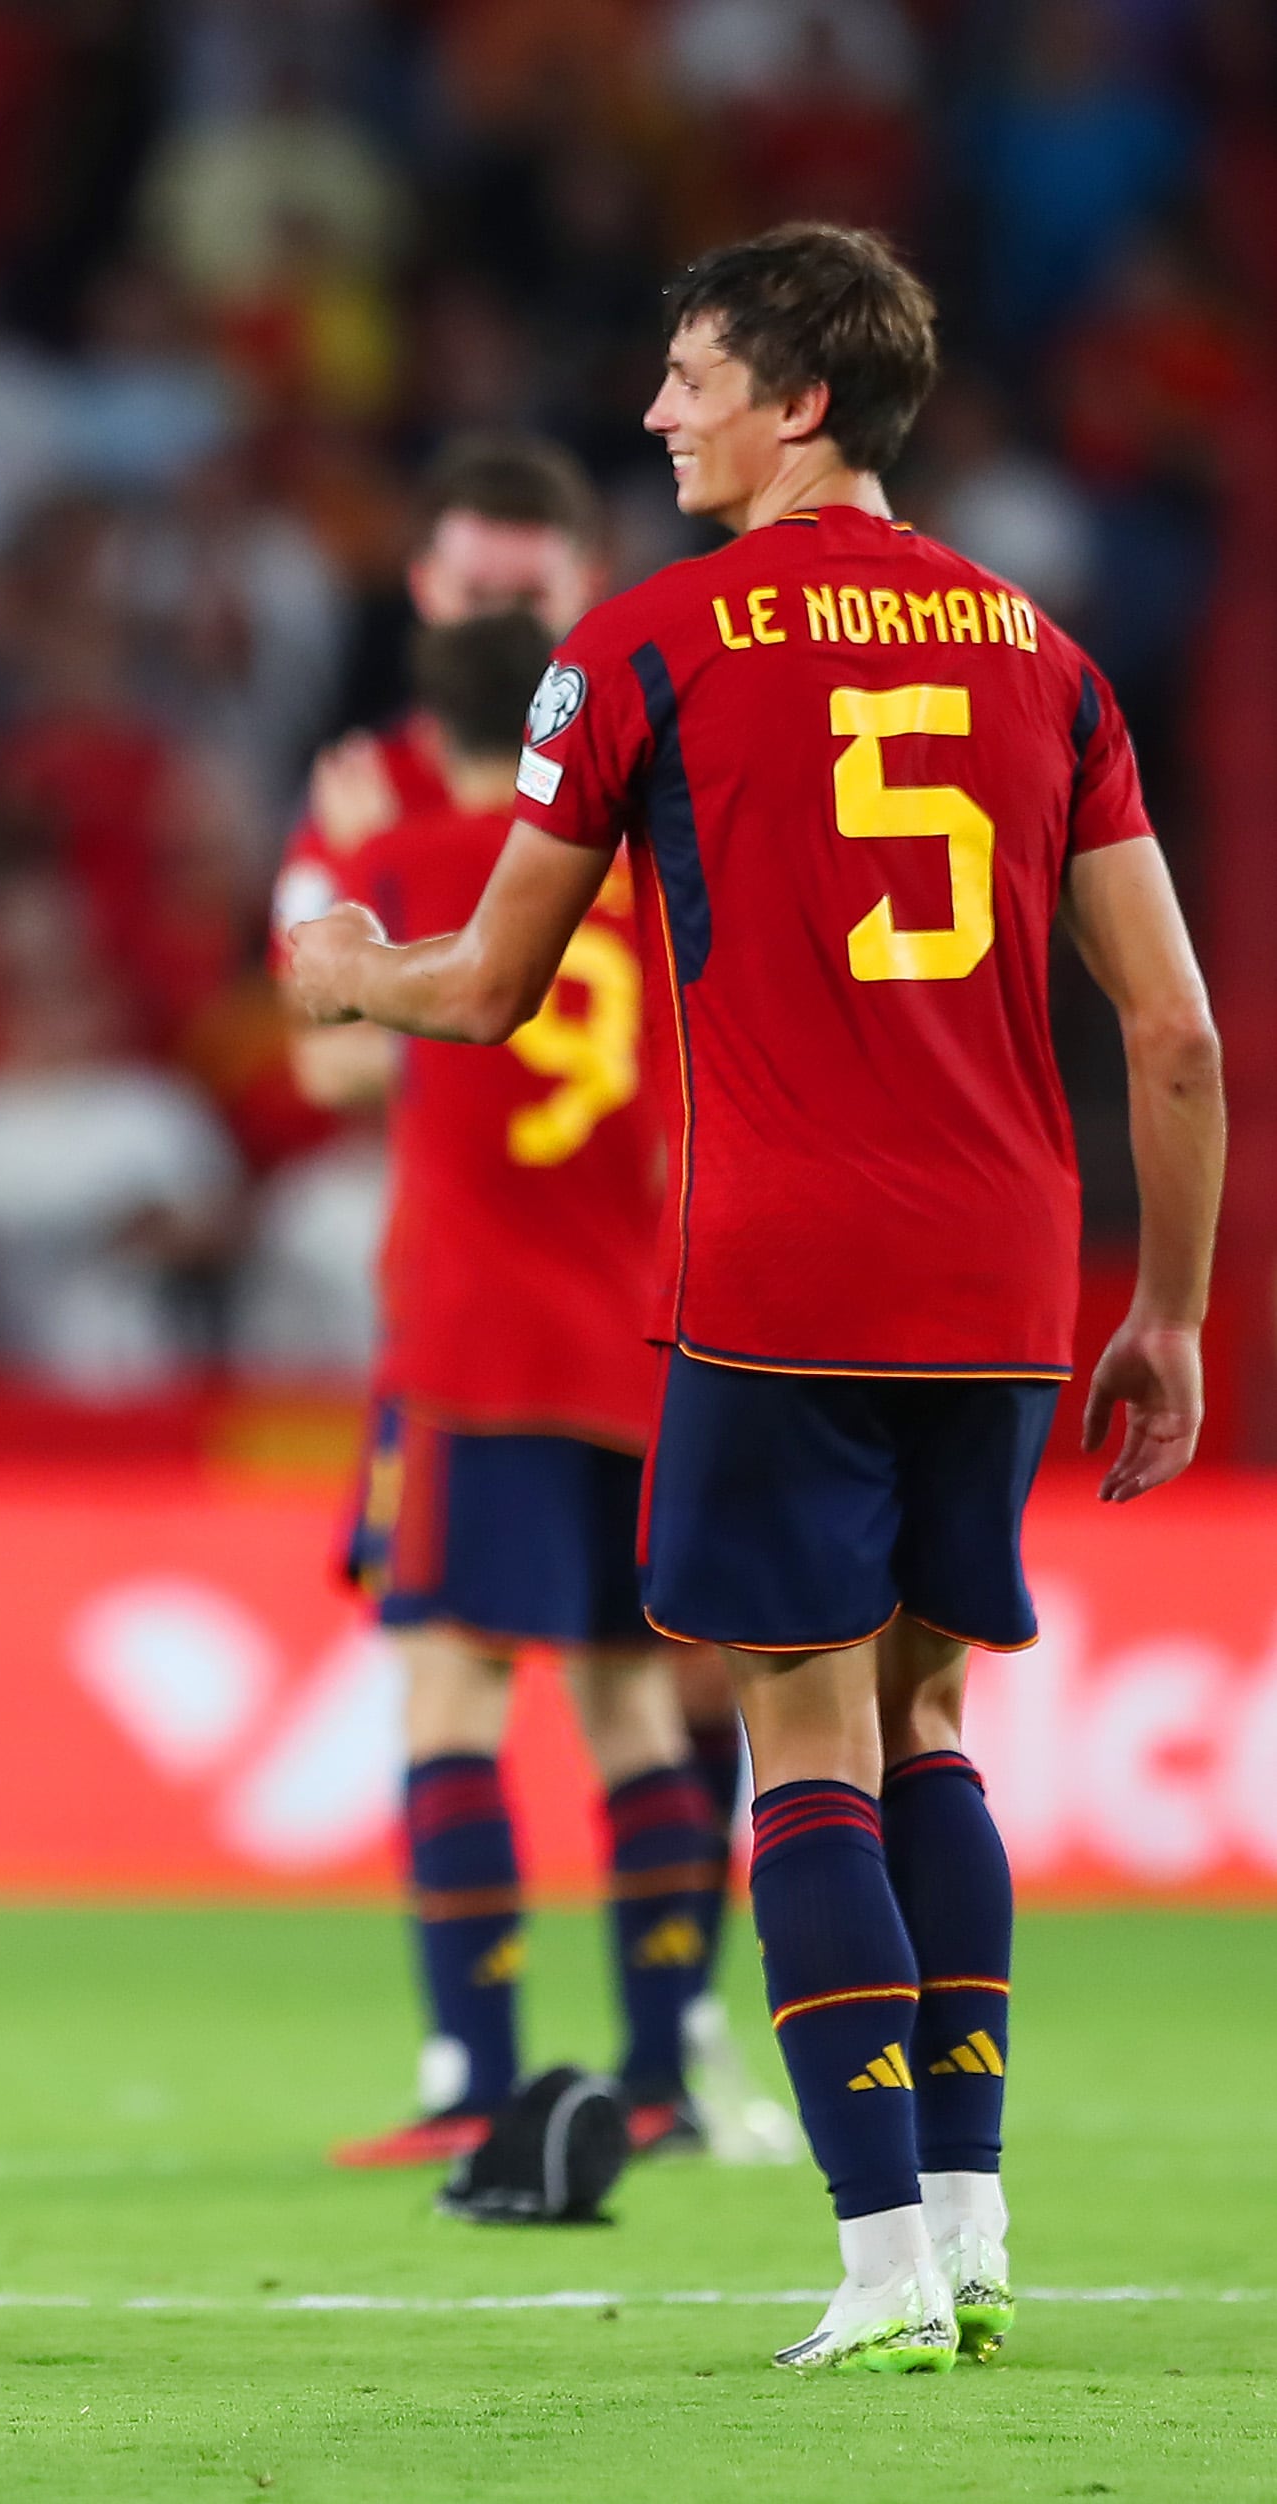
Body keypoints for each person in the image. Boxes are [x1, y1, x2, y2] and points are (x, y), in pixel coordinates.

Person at [284, 222, 1221, 2373]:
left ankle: (883, 2258)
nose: (656, 409)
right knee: (931, 1720)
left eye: (692, 372)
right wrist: (1165, 1311)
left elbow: (496, 984)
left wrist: (354, 971)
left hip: (782, 1267)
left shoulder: (640, 646)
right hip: (1007, 1270)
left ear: (800, 400)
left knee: (797, 1729)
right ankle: (976, 2226)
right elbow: (1173, 1035)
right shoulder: (1048, 656)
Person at [276, 436, 785, 2176]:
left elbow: (322, 1035)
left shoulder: (399, 841)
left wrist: (363, 892)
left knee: (454, 1692)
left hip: (475, 1334)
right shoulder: (652, 834)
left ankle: (477, 2073)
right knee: (641, 1702)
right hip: (647, 1325)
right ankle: (657, 2074)